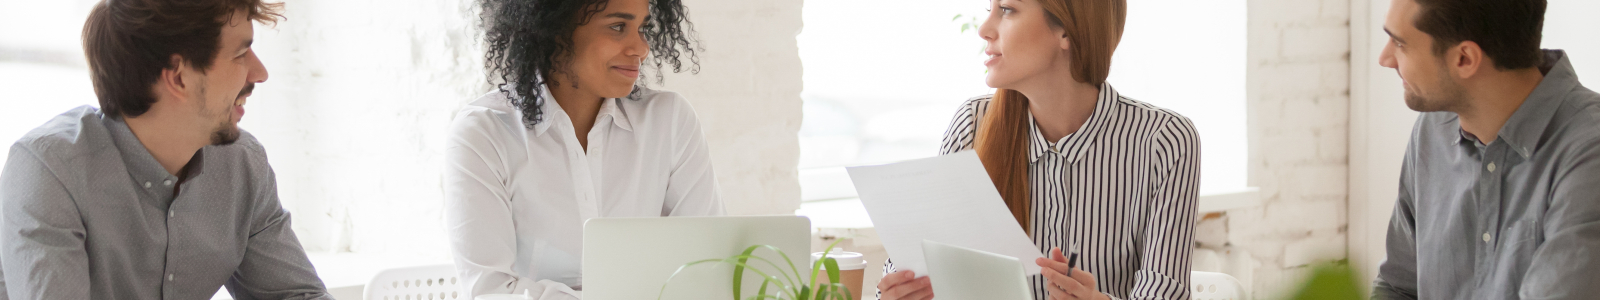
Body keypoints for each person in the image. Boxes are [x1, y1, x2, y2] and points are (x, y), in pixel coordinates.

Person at [0, 0, 332, 299]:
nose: (260, 73)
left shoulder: (242, 164)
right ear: (178, 77)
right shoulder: (49, 171)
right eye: (240, 54)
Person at [875, 0, 1199, 299]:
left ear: (1066, 30)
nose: (984, 29)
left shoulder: (1165, 140)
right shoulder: (973, 124)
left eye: (1006, 9)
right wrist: (896, 291)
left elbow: (1163, 291)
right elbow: (913, 264)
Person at [443, 0, 722, 298]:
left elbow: (707, 264)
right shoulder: (484, 134)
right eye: (618, 27)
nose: (640, 49)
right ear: (555, 30)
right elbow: (490, 291)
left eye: (642, 28)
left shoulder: (669, 121)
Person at [1371, 0, 1600, 298]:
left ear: (1464, 59)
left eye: (1400, 43)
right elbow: (1398, 286)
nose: (1385, 59)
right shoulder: (1432, 130)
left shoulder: (1588, 150)